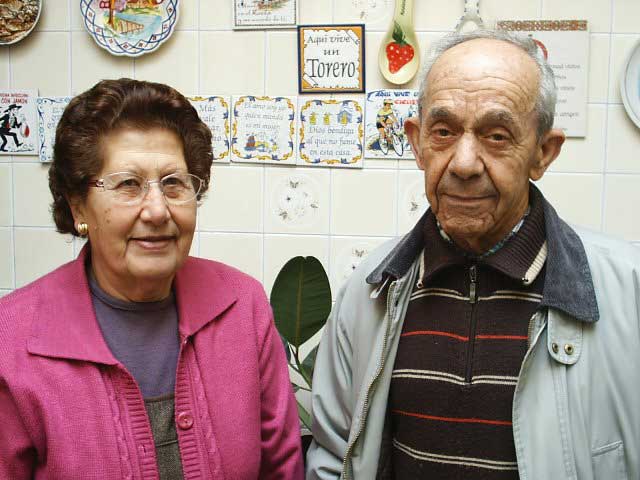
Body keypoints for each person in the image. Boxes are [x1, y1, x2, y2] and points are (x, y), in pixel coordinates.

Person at [306, 29, 640, 480]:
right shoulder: (368, 292)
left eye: (497, 136)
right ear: (417, 142)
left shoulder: (627, 292)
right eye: (443, 132)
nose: (463, 163)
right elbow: (333, 456)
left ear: (543, 153)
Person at [0, 78, 303, 479]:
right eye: (128, 184)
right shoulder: (12, 339)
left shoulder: (243, 305)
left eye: (174, 183)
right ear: (78, 207)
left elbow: (282, 468)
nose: (158, 210)